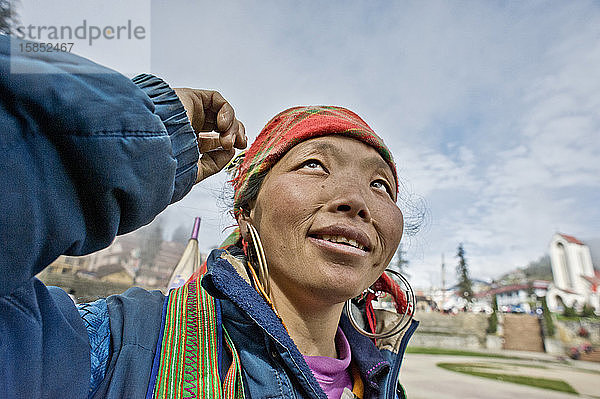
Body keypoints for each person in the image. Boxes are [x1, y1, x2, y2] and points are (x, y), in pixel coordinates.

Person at [0, 34, 418, 399]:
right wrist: (140, 134)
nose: (356, 199)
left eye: (380, 185)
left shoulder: (383, 381)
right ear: (246, 211)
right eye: (314, 165)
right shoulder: (116, 347)